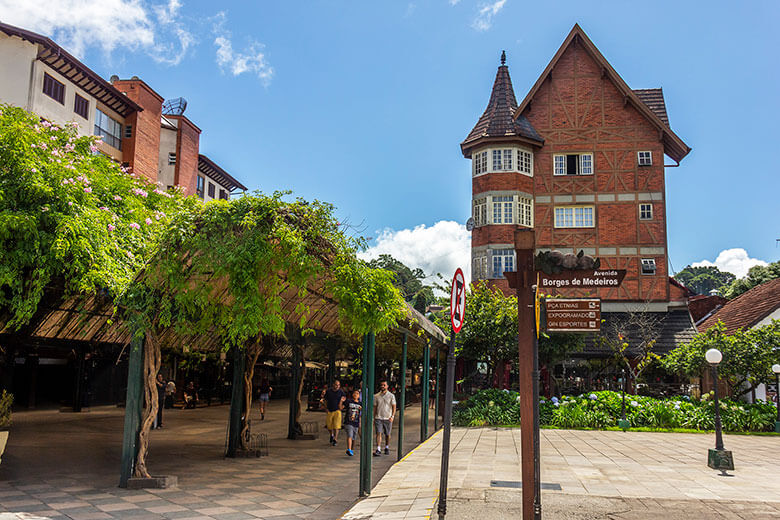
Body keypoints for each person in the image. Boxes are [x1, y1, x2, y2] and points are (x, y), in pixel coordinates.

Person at [373, 380, 396, 456]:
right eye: (381, 385)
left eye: (384, 385)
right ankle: (378, 448)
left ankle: (386, 447)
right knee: (378, 433)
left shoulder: (391, 396)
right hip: (378, 417)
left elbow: (394, 407)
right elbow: (375, 407)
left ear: (387, 386)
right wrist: (374, 417)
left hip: (387, 417)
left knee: (387, 434)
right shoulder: (376, 396)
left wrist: (392, 416)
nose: (382, 386)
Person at [321, 379, 345, 446]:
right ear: (333, 385)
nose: (337, 386)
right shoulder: (329, 391)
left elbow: (344, 400)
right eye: (336, 385)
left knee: (336, 426)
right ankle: (331, 435)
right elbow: (325, 400)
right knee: (329, 425)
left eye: (339, 385)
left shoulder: (341, 392)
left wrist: (342, 406)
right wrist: (326, 408)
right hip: (330, 410)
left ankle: (335, 438)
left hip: (337, 410)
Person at [343, 389, 362, 456]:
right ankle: (349, 449)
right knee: (350, 435)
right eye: (354, 393)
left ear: (359, 396)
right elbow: (342, 407)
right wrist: (341, 401)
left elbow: (362, 413)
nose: (355, 395)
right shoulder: (349, 401)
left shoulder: (360, 404)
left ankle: (351, 449)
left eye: (357, 394)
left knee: (354, 437)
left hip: (356, 422)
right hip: (348, 422)